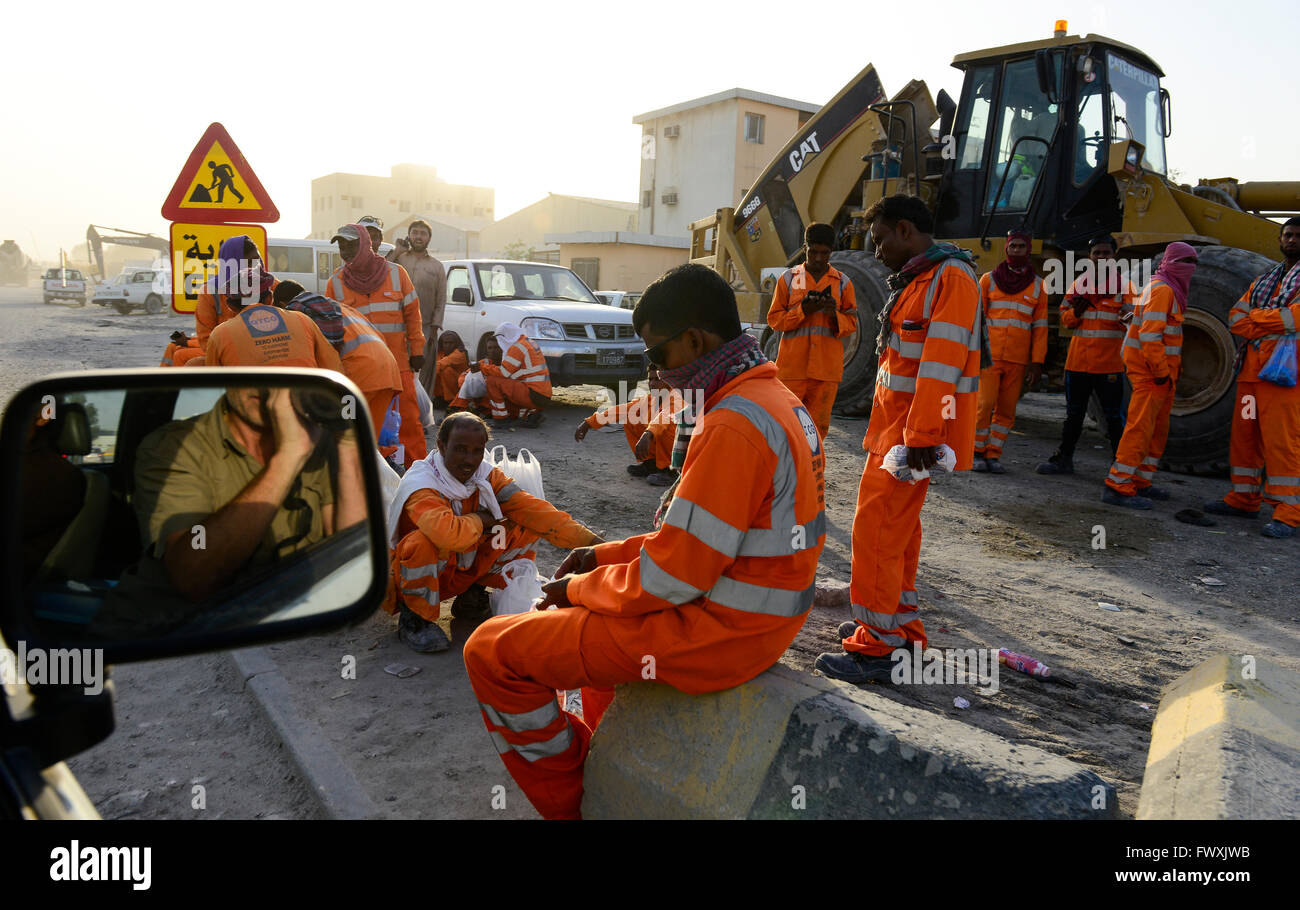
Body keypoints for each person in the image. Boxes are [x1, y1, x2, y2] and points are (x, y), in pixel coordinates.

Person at [463, 263, 826, 819]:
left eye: (659, 357)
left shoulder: (733, 424)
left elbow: (673, 576)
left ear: (696, 341)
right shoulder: (776, 399)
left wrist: (580, 588)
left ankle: (570, 806)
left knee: (490, 652)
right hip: (754, 617)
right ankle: (609, 774)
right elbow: (701, 538)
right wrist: (604, 555)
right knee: (594, 667)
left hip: (718, 632)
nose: (656, 374)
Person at [815, 194, 980, 683]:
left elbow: (939, 364)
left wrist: (922, 437)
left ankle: (879, 647)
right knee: (898, 537)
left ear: (906, 230)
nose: (878, 250)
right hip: (894, 434)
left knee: (879, 535)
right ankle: (897, 628)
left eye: (882, 239)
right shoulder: (923, 279)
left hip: (909, 439)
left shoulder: (948, 278)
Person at [96, 387, 366, 632]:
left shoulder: (320, 443)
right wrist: (289, 457)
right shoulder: (178, 446)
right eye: (247, 371)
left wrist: (348, 442)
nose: (263, 386)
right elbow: (195, 578)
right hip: (158, 632)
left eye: (277, 374)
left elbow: (351, 555)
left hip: (275, 616)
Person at [383, 412, 600, 653]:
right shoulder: (422, 485)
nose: (469, 460)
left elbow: (535, 511)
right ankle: (415, 620)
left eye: (477, 451)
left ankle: (471, 598)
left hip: (459, 569)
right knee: (420, 543)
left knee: (522, 528)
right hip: (418, 576)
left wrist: (595, 544)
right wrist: (481, 518)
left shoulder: (486, 477)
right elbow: (449, 536)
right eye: (461, 449)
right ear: (441, 446)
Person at [1203, 218, 1300, 538]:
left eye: (1298, 236)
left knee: (1282, 443)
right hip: (1250, 377)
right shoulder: (1266, 279)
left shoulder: (1270, 284)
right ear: (1280, 238)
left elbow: (1294, 318)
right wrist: (1272, 321)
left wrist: (1256, 318)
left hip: (1284, 380)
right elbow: (1235, 318)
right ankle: (1244, 498)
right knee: (1244, 437)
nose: (1292, 240)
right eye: (1287, 234)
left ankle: (1289, 512)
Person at [1103, 242, 1200, 508]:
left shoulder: (1166, 289)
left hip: (1161, 374)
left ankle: (1140, 480)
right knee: (1140, 428)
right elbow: (1149, 334)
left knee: (1156, 429)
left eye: (1193, 262)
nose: (1189, 268)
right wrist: (1159, 372)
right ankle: (1118, 484)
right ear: (1170, 263)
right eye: (1184, 261)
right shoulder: (1163, 290)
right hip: (1151, 373)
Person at [324, 223, 427, 466]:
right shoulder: (335, 283)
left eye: (350, 244)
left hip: (399, 365)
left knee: (408, 424)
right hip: (358, 371)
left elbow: (413, 314)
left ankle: (420, 479)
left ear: (365, 244)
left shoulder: (396, 273)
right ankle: (375, 479)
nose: (345, 251)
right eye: (341, 246)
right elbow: (329, 330)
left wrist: (418, 350)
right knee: (364, 427)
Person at [1038, 236, 1135, 474]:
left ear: (1114, 256)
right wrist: (1077, 312)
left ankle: (1120, 465)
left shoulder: (1125, 288)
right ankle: (1064, 459)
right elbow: (1066, 320)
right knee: (1074, 415)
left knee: (1113, 417)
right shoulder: (1078, 285)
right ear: (1090, 257)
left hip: (1109, 365)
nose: (1101, 257)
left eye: (1106, 253)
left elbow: (1134, 324)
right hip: (1078, 363)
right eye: (1097, 253)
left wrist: (1123, 317)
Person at [273, 281, 402, 441]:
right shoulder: (338, 307)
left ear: (282, 304)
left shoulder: (299, 311)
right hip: (387, 372)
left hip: (358, 377)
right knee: (367, 444)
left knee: (344, 440)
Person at [765, 221, 858, 438]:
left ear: (831, 252)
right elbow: (774, 321)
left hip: (825, 373)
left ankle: (811, 471)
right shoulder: (787, 279)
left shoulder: (843, 283)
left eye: (824, 253)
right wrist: (802, 311)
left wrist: (833, 314)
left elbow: (851, 324)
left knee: (817, 432)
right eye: (813, 252)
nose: (818, 258)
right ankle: (787, 471)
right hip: (792, 371)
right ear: (805, 248)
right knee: (786, 428)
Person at [972, 229, 1047, 472]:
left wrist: (1037, 362)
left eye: (1021, 247)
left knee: (1006, 410)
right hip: (990, 356)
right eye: (1013, 246)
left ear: (1028, 250)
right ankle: (976, 452)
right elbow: (977, 321)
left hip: (1017, 359)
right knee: (984, 404)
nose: (1016, 251)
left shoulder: (1038, 286)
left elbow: (1041, 327)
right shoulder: (988, 280)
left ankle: (993, 455)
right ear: (1006, 249)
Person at [205, 269, 343, 371]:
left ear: (230, 306)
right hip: (305, 406)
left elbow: (213, 390)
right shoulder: (302, 320)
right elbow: (334, 368)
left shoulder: (219, 335)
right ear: (269, 298)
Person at [575, 374, 685, 486]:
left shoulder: (677, 397)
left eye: (657, 380)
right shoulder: (651, 398)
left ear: (667, 380)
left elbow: (664, 417)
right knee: (630, 417)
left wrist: (648, 433)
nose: (652, 383)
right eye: (650, 379)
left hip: (682, 449)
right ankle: (651, 464)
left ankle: (671, 471)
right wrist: (589, 422)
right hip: (662, 437)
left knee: (665, 428)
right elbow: (623, 409)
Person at [387, 218, 448, 397]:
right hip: (397, 325)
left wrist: (435, 328)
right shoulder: (399, 259)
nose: (418, 237)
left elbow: (441, 298)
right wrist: (397, 250)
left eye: (423, 233)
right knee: (397, 366)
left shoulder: (437, 267)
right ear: (409, 236)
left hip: (425, 327)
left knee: (421, 369)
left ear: (429, 238)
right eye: (415, 232)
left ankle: (420, 411)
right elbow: (382, 269)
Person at [195, 235, 277, 351]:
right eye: (248, 262)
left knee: (190, 362)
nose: (254, 267)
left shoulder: (270, 284)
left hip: (269, 350)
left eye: (256, 261)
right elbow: (206, 340)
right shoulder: (209, 292)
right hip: (227, 352)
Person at [480, 322, 552, 427]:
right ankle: (533, 414)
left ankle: (500, 419)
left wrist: (482, 367)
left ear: (506, 336)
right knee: (506, 385)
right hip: (542, 394)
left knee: (492, 381)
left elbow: (503, 372)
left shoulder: (517, 347)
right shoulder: (528, 341)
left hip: (533, 394)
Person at [431, 331, 470, 408]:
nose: (448, 345)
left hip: (459, 387)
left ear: (456, 344)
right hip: (443, 390)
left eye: (451, 343)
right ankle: (440, 397)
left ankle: (451, 400)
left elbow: (439, 365)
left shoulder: (459, 353)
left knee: (445, 370)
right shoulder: (439, 353)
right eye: (446, 343)